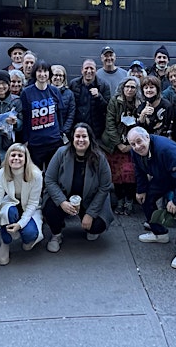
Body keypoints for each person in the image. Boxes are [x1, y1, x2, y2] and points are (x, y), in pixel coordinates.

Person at [129, 127, 176, 269]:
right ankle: (160, 233)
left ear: (147, 137)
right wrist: (141, 190)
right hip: (166, 172)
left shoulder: (165, 149)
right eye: (133, 144)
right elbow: (139, 170)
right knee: (146, 197)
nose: (137, 146)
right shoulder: (135, 151)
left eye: (139, 141)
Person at [44, 123, 116, 251]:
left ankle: (89, 223)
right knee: (50, 209)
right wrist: (62, 202)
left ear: (90, 139)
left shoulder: (100, 158)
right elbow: (50, 180)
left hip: (90, 198)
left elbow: (105, 186)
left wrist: (91, 214)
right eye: (77, 136)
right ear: (72, 138)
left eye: (84, 136)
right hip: (64, 196)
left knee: (97, 225)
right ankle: (56, 235)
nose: (81, 140)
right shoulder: (61, 153)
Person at [0, 144, 43, 265]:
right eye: (13, 155)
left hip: (29, 207)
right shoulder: (2, 173)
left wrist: (20, 224)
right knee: (7, 212)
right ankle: (5, 242)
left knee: (30, 235)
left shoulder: (36, 175)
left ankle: (24, 236)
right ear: (8, 157)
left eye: (20, 155)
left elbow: (33, 203)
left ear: (26, 159)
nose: (16, 158)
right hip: (12, 204)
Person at [102, 77, 141, 215]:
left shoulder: (140, 104)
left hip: (132, 145)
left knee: (130, 175)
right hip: (114, 146)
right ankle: (119, 201)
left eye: (133, 87)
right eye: (127, 87)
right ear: (122, 88)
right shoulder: (115, 101)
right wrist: (118, 143)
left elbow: (141, 127)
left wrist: (130, 145)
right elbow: (110, 124)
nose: (130, 90)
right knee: (117, 176)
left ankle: (129, 201)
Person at [19, 60, 66, 170]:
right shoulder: (27, 92)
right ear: (35, 73)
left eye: (45, 71)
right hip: (35, 143)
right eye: (39, 71)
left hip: (53, 141)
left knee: (53, 175)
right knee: (35, 176)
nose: (42, 74)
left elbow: (59, 114)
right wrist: (26, 140)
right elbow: (25, 117)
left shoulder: (55, 91)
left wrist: (60, 133)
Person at [69, 59, 110, 140]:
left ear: (96, 70)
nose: (89, 71)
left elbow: (107, 109)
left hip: (96, 131)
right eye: (86, 68)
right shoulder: (73, 84)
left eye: (92, 68)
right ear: (82, 70)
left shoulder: (104, 85)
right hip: (77, 129)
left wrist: (99, 97)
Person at [50, 64, 76, 133]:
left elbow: (71, 115)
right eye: (55, 75)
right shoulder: (45, 92)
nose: (58, 78)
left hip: (63, 132)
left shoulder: (69, 94)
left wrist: (64, 130)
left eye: (60, 75)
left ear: (64, 77)